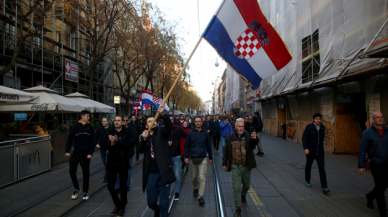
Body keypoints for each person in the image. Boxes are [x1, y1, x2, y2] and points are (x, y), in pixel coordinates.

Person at [138, 105, 175, 217]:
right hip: (151, 173)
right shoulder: (144, 136)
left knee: (164, 203)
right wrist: (143, 140)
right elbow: (139, 150)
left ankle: (163, 213)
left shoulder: (161, 132)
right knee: (151, 202)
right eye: (150, 121)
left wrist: (163, 115)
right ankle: (157, 209)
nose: (153, 122)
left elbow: (169, 127)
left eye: (154, 120)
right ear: (146, 125)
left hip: (164, 171)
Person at [222, 118, 258, 217]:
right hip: (235, 166)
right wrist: (224, 163)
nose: (241, 128)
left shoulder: (248, 136)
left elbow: (254, 143)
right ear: (235, 126)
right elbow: (226, 152)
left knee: (247, 186)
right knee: (236, 187)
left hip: (246, 166)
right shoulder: (230, 137)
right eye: (239, 126)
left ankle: (243, 195)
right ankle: (238, 208)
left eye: (242, 126)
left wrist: (255, 138)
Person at [358, 112, 388, 217]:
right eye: (377, 117)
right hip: (375, 164)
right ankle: (383, 212)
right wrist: (360, 165)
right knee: (380, 188)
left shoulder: (387, 131)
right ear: (373, 120)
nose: (380, 119)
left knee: (384, 185)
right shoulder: (367, 133)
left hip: (387, 163)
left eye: (381, 117)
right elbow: (363, 150)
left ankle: (370, 196)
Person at [107, 116, 135, 217]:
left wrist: (116, 141)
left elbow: (126, 146)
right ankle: (117, 204)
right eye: (115, 120)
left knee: (123, 187)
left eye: (119, 121)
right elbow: (105, 145)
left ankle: (122, 207)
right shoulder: (110, 131)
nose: (117, 122)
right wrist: (110, 143)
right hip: (111, 162)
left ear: (122, 122)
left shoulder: (127, 132)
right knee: (110, 186)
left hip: (122, 162)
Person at [65, 110, 96, 201]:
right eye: (87, 116)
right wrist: (67, 150)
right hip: (76, 153)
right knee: (72, 171)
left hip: (86, 154)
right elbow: (70, 139)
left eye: (89, 116)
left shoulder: (90, 127)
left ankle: (85, 192)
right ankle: (77, 188)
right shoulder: (75, 127)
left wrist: (90, 153)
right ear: (82, 116)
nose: (88, 118)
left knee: (85, 173)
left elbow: (93, 141)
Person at [184, 116, 213, 206]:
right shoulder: (190, 133)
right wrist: (186, 157)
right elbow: (186, 145)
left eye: (199, 121)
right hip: (192, 158)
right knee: (193, 177)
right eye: (196, 121)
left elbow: (209, 146)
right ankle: (195, 187)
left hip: (203, 158)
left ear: (202, 122)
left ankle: (201, 197)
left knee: (202, 178)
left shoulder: (205, 134)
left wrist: (210, 157)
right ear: (194, 122)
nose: (198, 123)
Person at [302, 113, 330, 194]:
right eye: (316, 118)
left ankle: (324, 186)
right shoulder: (309, 127)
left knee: (322, 168)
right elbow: (304, 138)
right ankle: (307, 180)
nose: (318, 120)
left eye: (319, 119)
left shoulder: (322, 128)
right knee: (309, 166)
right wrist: (306, 148)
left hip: (320, 152)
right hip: (311, 151)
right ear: (313, 119)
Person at [115, 116, 139, 192]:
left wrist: (127, 142)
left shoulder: (131, 129)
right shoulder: (117, 130)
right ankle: (118, 186)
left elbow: (135, 138)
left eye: (126, 120)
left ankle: (127, 184)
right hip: (118, 153)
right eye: (124, 120)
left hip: (128, 152)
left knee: (127, 170)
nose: (125, 121)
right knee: (118, 170)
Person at [168, 116, 187, 201]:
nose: (171, 121)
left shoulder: (178, 129)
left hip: (176, 155)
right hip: (167, 156)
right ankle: (167, 192)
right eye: (169, 120)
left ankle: (176, 192)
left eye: (172, 119)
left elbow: (186, 135)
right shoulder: (164, 130)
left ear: (174, 121)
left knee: (177, 175)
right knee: (167, 175)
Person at [95, 117, 111, 183]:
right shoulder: (99, 129)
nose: (103, 122)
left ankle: (107, 176)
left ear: (108, 122)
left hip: (109, 148)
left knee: (107, 162)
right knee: (104, 162)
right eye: (102, 121)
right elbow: (95, 136)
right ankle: (109, 173)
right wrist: (96, 144)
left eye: (104, 121)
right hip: (102, 148)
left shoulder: (111, 129)